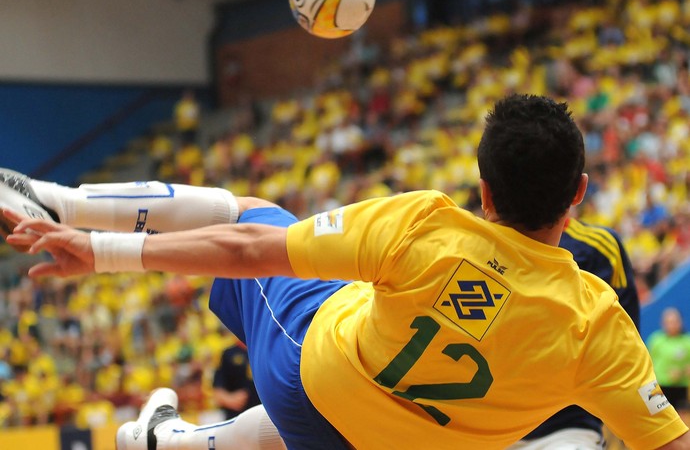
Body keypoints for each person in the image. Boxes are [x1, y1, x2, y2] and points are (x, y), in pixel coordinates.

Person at [2, 94, 690, 449]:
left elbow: (246, 250)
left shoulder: (425, 225)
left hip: (315, 381)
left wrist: (99, 253)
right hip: (401, 445)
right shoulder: (599, 322)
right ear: (580, 192)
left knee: (257, 211)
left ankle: (65, 202)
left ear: (482, 188)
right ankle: (163, 440)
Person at [514, 217, 641, 449]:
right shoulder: (477, 242)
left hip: (565, 429)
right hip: (478, 427)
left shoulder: (599, 247)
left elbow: (626, 344)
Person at [647, 308, 690, 417]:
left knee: (681, 421)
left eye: (675, 321)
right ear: (663, 323)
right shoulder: (656, 340)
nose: (672, 325)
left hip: (681, 388)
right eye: (669, 322)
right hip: (658, 388)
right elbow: (647, 365)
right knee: (659, 419)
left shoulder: (687, 341)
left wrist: (684, 371)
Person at [213, 341, 261, 421]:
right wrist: (230, 399)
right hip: (238, 417)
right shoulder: (228, 353)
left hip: (265, 415)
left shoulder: (266, 351)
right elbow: (218, 391)